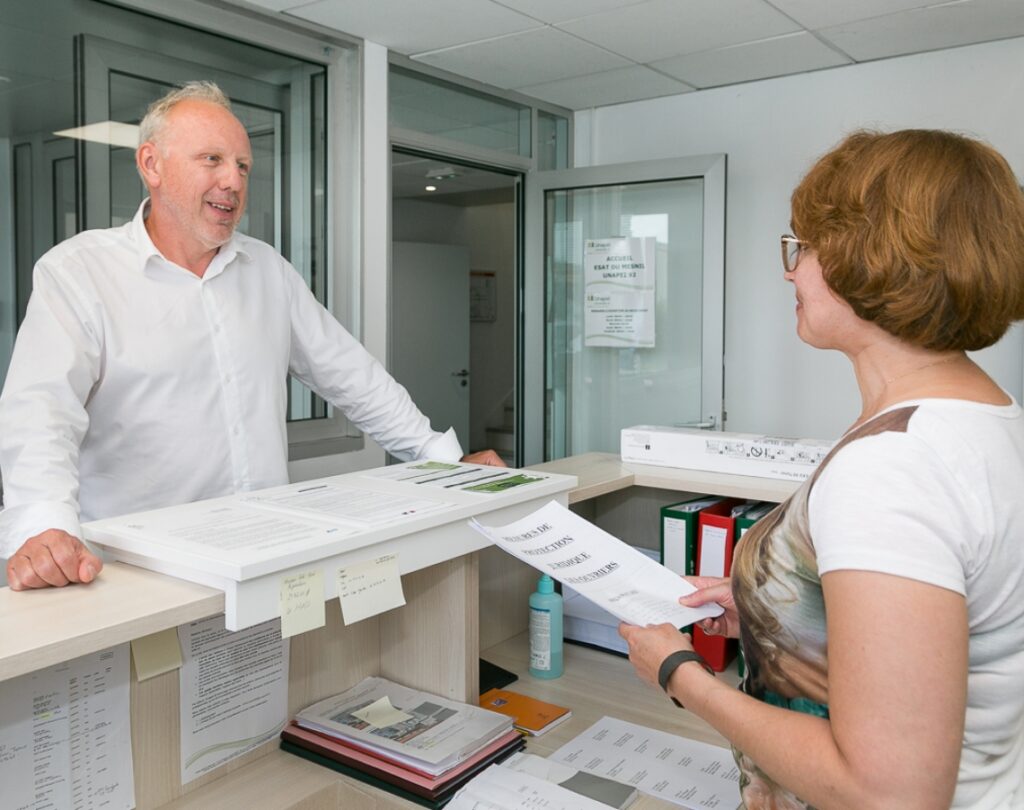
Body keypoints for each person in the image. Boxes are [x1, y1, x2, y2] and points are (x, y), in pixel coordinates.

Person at [619, 130, 1024, 809]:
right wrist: (770, 610)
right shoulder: (983, 420)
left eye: (801, 248)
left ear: (868, 258)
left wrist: (678, 674)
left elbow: (888, 793)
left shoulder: (892, 465)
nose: (790, 271)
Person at [0, 81, 502, 591]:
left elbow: (352, 375)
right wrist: (44, 526)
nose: (233, 182)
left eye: (242, 166)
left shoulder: (266, 270)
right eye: (212, 159)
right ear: (151, 165)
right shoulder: (80, 271)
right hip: (138, 570)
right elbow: (40, 414)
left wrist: (440, 458)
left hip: (260, 559)